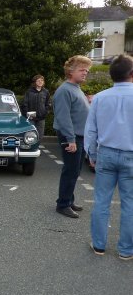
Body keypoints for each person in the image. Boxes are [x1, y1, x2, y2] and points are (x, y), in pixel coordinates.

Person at [84, 54, 133, 260]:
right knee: (130, 203)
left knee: (101, 201)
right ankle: (126, 250)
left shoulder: (100, 98)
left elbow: (91, 131)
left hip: (106, 153)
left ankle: (99, 245)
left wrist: (91, 154)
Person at [53, 55, 93, 218]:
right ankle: (62, 204)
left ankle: (68, 200)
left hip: (78, 136)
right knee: (70, 171)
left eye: (87, 70)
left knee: (75, 170)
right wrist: (70, 140)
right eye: (82, 70)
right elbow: (63, 118)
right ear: (71, 71)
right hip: (72, 137)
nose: (85, 73)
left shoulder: (75, 88)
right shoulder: (64, 90)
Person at [22, 75, 51, 142]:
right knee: (30, 135)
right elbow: (24, 104)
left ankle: (37, 147)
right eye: (38, 80)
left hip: (41, 118)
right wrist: (27, 114)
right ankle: (30, 149)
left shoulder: (46, 92)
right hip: (31, 117)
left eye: (42, 80)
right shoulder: (29, 92)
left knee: (40, 135)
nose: (40, 82)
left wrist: (45, 113)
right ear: (35, 82)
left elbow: (48, 104)